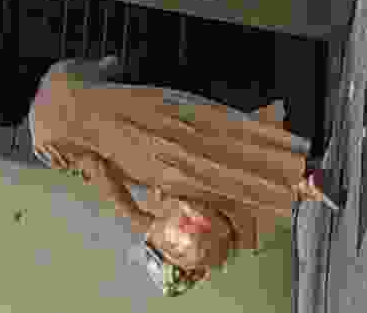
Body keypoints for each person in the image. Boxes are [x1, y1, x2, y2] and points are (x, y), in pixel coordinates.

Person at [23, 56, 339, 295]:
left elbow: (95, 168)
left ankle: (303, 184)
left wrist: (137, 217)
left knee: (221, 188)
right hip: (159, 108)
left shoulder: (43, 142)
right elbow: (113, 64)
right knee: (229, 147)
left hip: (149, 160)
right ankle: (302, 172)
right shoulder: (59, 72)